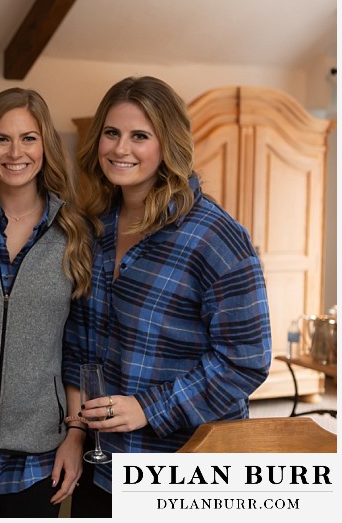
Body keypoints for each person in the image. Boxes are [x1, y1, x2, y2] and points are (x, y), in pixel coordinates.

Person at [62, 76, 272, 516]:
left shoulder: (216, 238)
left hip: (182, 471)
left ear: (168, 145)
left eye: (141, 136)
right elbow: (82, 342)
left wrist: (148, 407)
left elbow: (246, 359)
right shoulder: (96, 226)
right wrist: (76, 432)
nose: (122, 149)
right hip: (102, 467)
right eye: (112, 133)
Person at [0, 88, 93, 517]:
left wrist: (75, 435)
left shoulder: (75, 233)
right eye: (1, 138)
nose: (15, 152)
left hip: (42, 448)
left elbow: (80, 347)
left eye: (28, 138)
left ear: (46, 145)